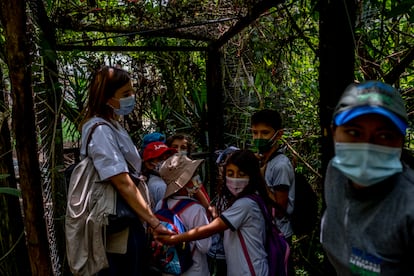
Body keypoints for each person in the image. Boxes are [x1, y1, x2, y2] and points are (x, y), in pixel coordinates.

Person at [79, 65, 172, 275]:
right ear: (106, 98)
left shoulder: (113, 125)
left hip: (128, 219)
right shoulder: (101, 130)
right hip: (116, 222)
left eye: (132, 91)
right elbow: (122, 181)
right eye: (125, 94)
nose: (132, 97)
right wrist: (154, 222)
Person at [320, 80, 414, 275]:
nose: (367, 147)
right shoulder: (335, 175)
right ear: (333, 133)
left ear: (400, 143)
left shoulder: (408, 206)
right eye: (354, 132)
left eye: (385, 135)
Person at [156, 149, 275, 275]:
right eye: (230, 173)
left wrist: (175, 239)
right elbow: (205, 246)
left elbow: (211, 229)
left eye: (241, 174)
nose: (235, 179)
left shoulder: (245, 204)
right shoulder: (242, 201)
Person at [156, 154, 212, 276]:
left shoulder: (161, 204)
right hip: (195, 271)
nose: (197, 177)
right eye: (194, 175)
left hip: (169, 269)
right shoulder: (196, 210)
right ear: (186, 182)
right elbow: (204, 247)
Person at [251, 109, 295, 240]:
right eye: (255, 133)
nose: (259, 138)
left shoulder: (280, 166)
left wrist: (259, 179)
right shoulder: (262, 160)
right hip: (262, 233)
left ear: (279, 134)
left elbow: (280, 211)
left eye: (265, 133)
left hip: (278, 236)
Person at [141, 141, 176, 210]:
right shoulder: (160, 186)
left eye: (167, 157)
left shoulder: (163, 180)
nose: (167, 162)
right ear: (149, 164)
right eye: (161, 159)